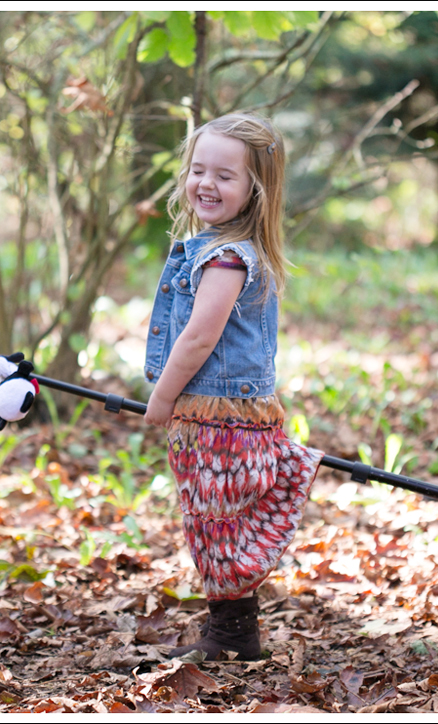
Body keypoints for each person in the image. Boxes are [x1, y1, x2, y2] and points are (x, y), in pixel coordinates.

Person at [143, 113, 324, 661]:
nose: (205, 183)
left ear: (255, 190)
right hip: (219, 416)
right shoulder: (217, 247)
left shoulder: (227, 258)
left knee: (217, 522)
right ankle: (231, 631)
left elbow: (199, 338)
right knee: (215, 519)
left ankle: (231, 637)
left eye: (224, 175)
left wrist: (162, 397)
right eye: (198, 170)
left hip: (219, 419)